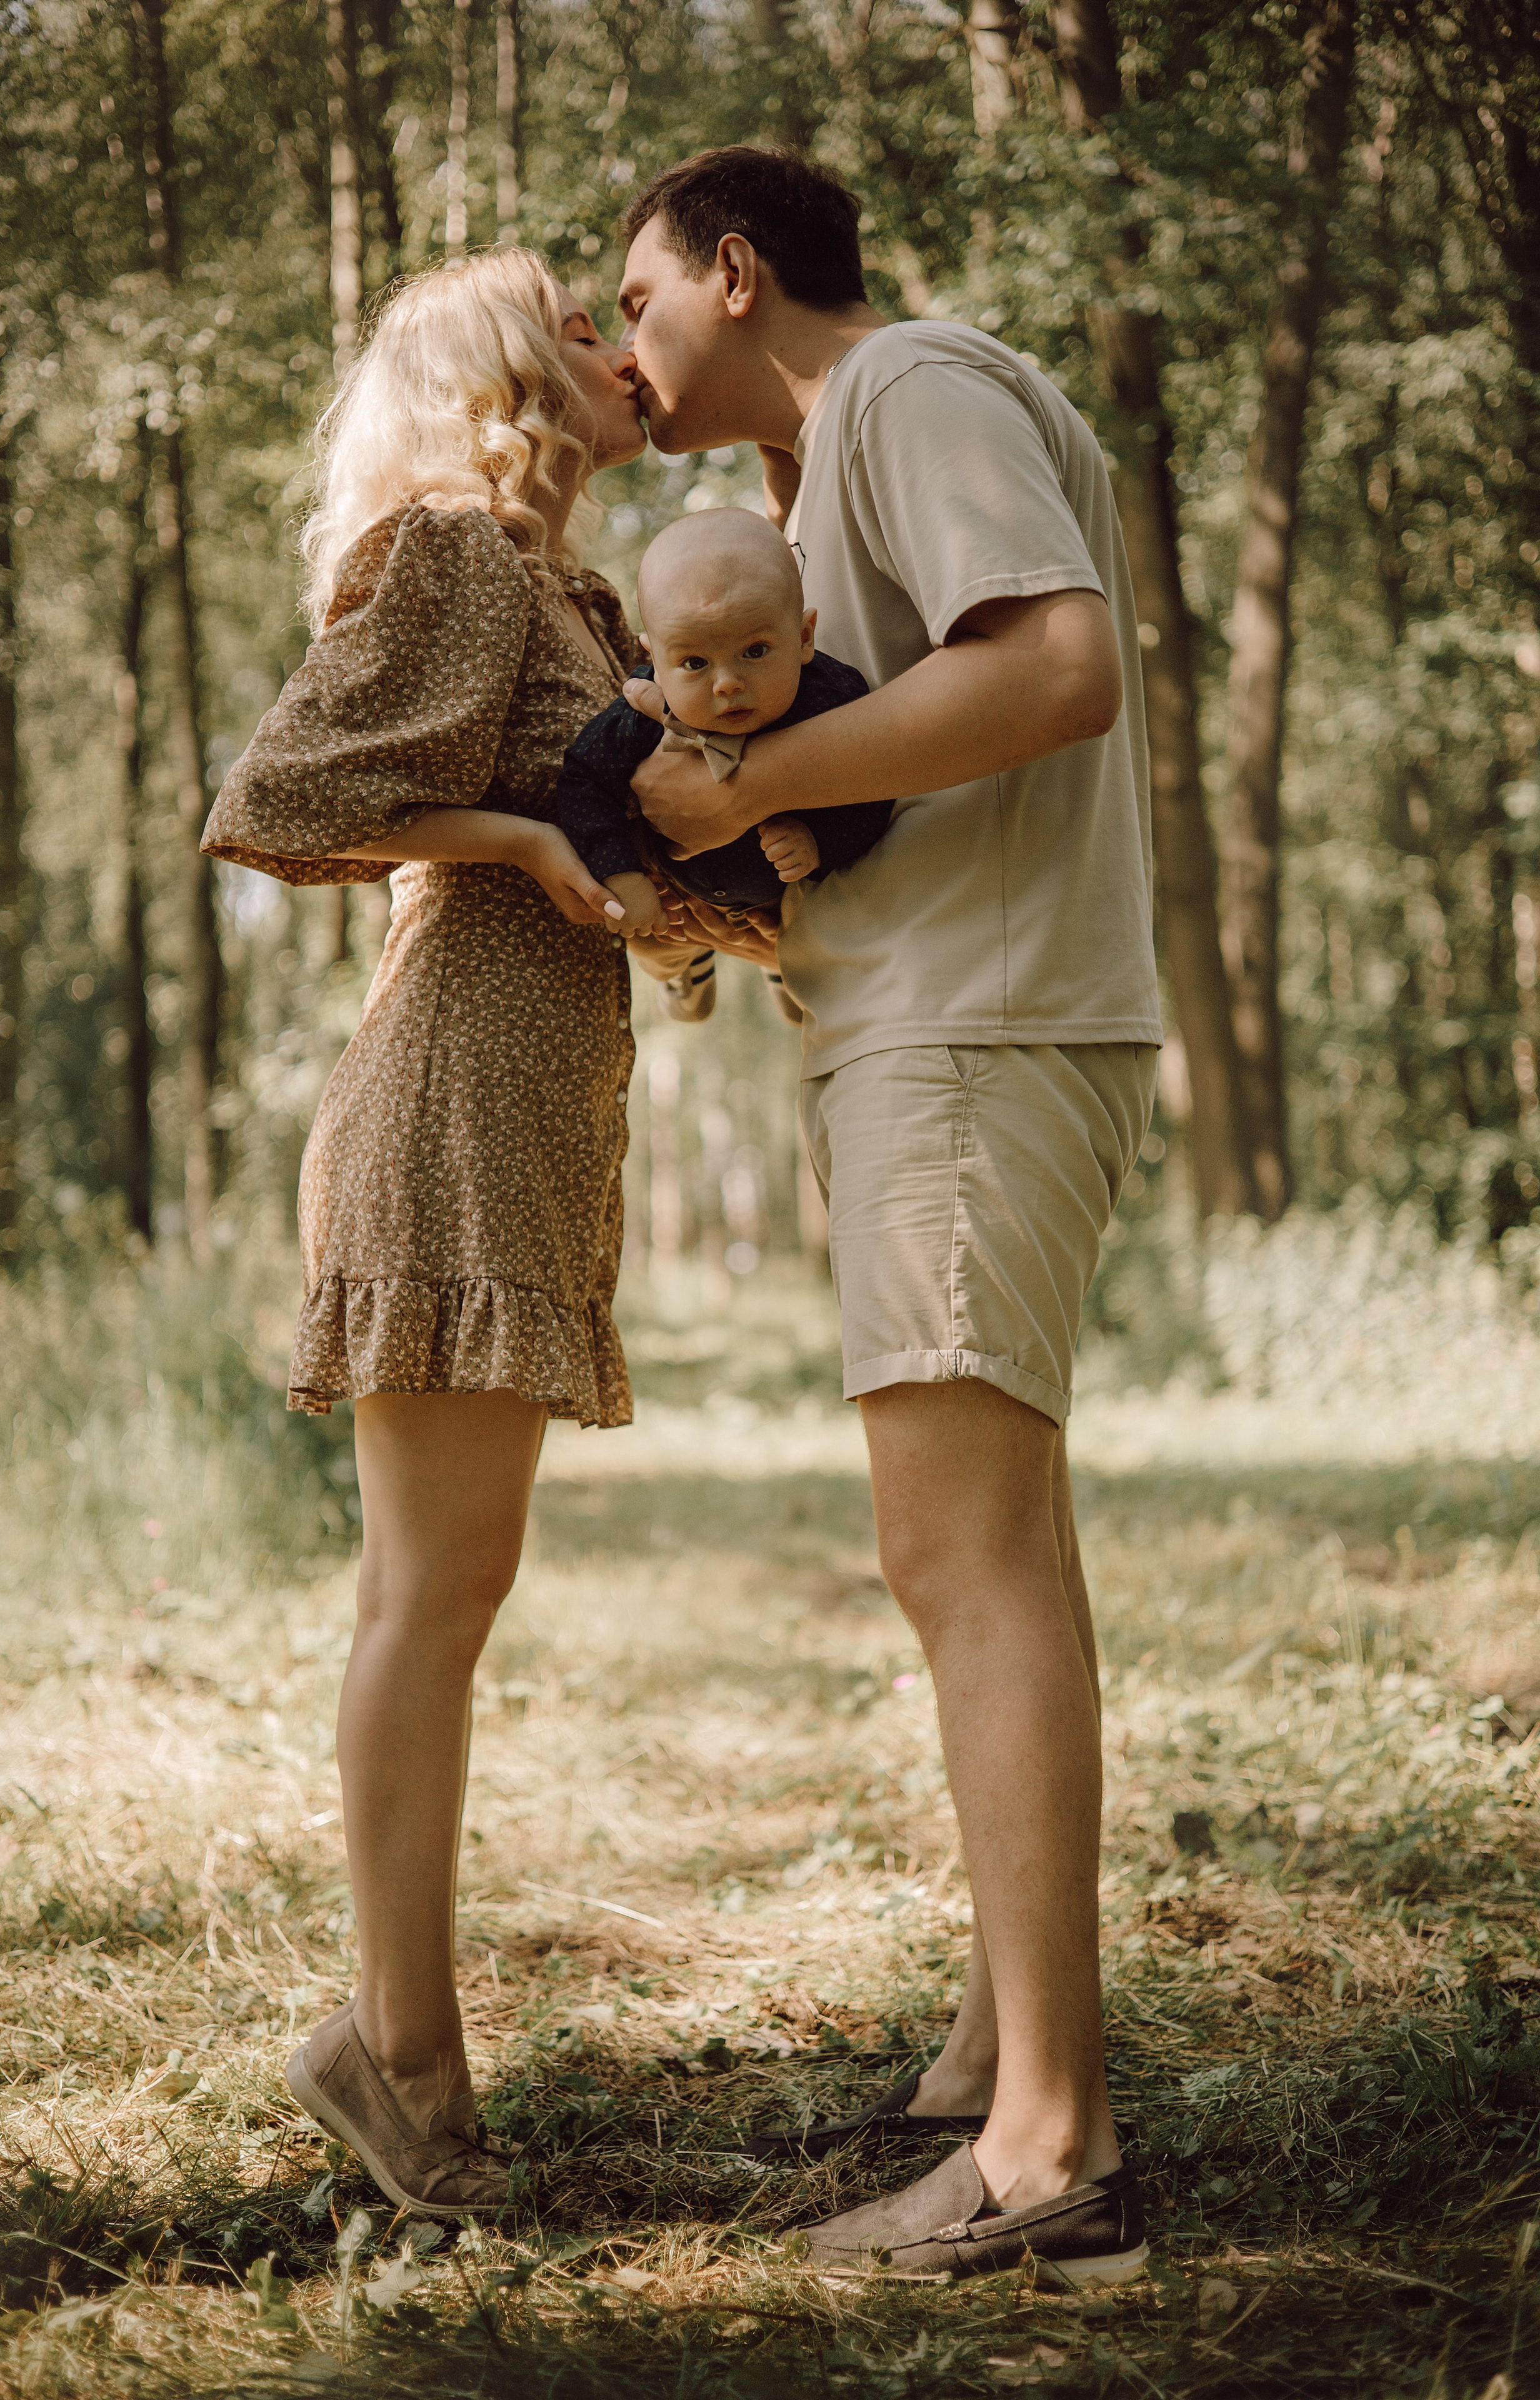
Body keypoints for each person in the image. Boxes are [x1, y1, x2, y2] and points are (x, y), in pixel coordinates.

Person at [616, 148, 1162, 2282]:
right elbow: (929, 761)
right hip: (947, 1026)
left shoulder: (912, 389)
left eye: (636, 292)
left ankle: (1051, 2162)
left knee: (957, 1553)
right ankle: (997, 2064)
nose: (622, 344)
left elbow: (1058, 674)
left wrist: (744, 790)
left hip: (984, 1039)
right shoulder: (843, 458)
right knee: (995, 1541)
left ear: (739, 275)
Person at [199, 249, 644, 2221]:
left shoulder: (579, 590)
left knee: (442, 1593)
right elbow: (275, 798)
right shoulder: (459, 548)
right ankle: (400, 2057)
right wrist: (518, 841)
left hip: (522, 1111)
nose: (619, 349)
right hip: (447, 1105)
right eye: (576, 321)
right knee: (430, 1602)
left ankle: (394, 2042)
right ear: (497, 374)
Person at [552, 509, 889, 936]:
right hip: (683, 899)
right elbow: (583, 779)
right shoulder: (640, 715)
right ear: (654, 662)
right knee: (664, 940)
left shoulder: (833, 700)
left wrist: (821, 843)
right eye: (694, 663)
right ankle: (685, 974)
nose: (727, 684)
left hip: (790, 906)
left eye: (755, 652)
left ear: (804, 638)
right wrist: (621, 874)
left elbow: (878, 787)